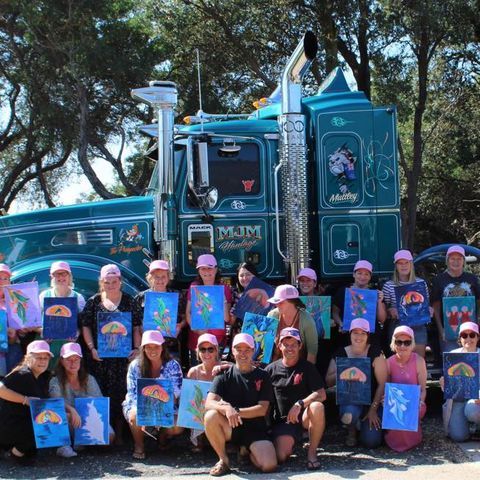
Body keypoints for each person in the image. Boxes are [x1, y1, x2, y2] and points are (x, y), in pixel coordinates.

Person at [81, 264, 142, 441]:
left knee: (123, 391)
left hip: (124, 358)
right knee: (101, 391)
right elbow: (85, 326)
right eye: (106, 282)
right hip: (99, 358)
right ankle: (102, 432)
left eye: (114, 281)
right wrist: (91, 348)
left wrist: (137, 349)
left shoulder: (130, 301)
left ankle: (122, 432)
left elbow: (137, 327)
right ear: (101, 282)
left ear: (120, 282)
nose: (110, 285)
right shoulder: (94, 302)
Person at [204, 333, 277, 476]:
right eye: (239, 349)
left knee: (269, 466)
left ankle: (245, 451)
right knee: (210, 416)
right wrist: (226, 408)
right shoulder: (223, 374)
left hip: (256, 429)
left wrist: (235, 411)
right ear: (232, 351)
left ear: (253, 351)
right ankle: (223, 460)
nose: (242, 353)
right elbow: (209, 402)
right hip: (231, 426)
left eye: (247, 350)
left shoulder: (263, 376)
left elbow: (262, 409)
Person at [265, 327, 326, 470]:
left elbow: (321, 393)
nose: (290, 348)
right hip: (283, 421)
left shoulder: (308, 367)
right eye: (286, 344)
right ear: (279, 346)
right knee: (281, 457)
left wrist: (300, 403)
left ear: (300, 346)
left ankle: (312, 452)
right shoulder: (270, 369)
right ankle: (291, 441)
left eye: (294, 345)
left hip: (304, 417)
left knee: (317, 406)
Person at [326, 318, 387, 448]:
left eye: (363, 333)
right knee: (349, 414)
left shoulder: (376, 353)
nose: (358, 336)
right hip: (350, 401)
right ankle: (351, 430)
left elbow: (383, 383)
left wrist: (373, 410)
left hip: (372, 402)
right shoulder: (341, 353)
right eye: (355, 333)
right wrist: (343, 370)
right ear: (350, 334)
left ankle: (367, 424)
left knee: (371, 442)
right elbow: (328, 381)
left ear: (368, 335)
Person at [123, 330, 183, 459]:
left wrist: (157, 408)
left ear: (162, 347)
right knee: (134, 415)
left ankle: (162, 438)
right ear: (143, 349)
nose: (152, 350)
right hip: (140, 405)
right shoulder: (135, 366)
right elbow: (132, 393)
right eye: (148, 347)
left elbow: (177, 391)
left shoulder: (173, 365)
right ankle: (139, 445)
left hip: (166, 405)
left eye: (156, 346)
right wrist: (144, 410)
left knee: (177, 427)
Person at [49, 342, 114, 457]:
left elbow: (99, 402)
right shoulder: (55, 381)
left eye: (76, 359)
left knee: (110, 437)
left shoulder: (89, 379)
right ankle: (64, 445)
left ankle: (83, 440)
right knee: (61, 414)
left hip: (88, 418)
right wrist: (72, 410)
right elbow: (56, 404)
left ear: (81, 361)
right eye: (68, 359)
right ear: (62, 361)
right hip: (68, 420)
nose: (73, 363)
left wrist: (90, 402)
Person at [0, 340, 52, 464]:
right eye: (39, 357)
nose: (43, 361)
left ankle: (10, 448)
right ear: (28, 357)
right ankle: (14, 454)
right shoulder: (23, 374)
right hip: (8, 424)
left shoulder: (41, 377)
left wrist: (68, 411)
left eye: (46, 358)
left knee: (33, 451)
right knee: (44, 425)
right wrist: (25, 400)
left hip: (18, 422)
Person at [384, 326, 427, 452]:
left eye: (407, 342)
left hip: (414, 401)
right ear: (393, 343)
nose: (402, 346)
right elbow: (386, 387)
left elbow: (423, 389)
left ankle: (414, 437)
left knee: (415, 411)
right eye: (399, 342)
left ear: (412, 343)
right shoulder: (388, 362)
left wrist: (420, 402)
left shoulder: (419, 361)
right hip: (395, 403)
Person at [187, 333, 231, 452]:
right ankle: (200, 439)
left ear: (217, 351)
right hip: (200, 411)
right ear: (197, 352)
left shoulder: (227, 368)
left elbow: (239, 368)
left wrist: (224, 366)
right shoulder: (193, 372)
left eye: (210, 349)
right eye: (203, 349)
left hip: (221, 411)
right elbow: (188, 398)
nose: (206, 353)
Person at [185, 254, 232, 366]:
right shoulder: (194, 287)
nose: (206, 271)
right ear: (199, 271)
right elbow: (188, 312)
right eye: (203, 268)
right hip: (197, 339)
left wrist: (224, 301)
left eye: (209, 268)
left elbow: (226, 318)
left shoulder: (224, 289)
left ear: (216, 270)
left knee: (215, 373)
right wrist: (197, 330)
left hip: (217, 341)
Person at [135, 260, 186, 361]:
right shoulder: (141, 297)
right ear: (150, 278)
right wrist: (141, 328)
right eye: (156, 277)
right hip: (149, 346)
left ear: (168, 278)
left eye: (163, 276)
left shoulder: (177, 295)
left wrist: (180, 326)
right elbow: (135, 322)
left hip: (171, 345)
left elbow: (185, 317)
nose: (160, 280)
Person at [382, 250, 431, 357]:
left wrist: (429, 310)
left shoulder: (421, 283)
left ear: (411, 264)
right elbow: (383, 310)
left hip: (418, 326)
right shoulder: (388, 285)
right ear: (396, 266)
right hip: (397, 325)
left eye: (406, 262)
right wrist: (390, 311)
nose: (403, 266)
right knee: (400, 362)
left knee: (418, 360)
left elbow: (425, 304)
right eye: (400, 263)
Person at [39, 260, 87, 369]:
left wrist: (77, 333)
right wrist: (42, 332)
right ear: (52, 277)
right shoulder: (44, 296)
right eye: (57, 274)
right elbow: (34, 320)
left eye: (64, 273)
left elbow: (84, 322)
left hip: (69, 344)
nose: (61, 277)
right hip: (48, 343)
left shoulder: (78, 297)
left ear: (69, 276)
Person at [431, 245, 480, 351]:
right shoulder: (439, 280)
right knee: (451, 364)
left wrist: (478, 324)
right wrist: (441, 330)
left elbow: (478, 302)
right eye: (453, 259)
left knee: (471, 363)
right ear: (447, 261)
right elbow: (436, 307)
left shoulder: (472, 279)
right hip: (448, 332)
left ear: (464, 261)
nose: (456, 262)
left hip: (470, 333)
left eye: (459, 259)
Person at [332, 260, 387, 348]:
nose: (362, 277)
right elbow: (335, 312)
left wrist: (379, 301)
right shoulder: (343, 291)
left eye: (366, 274)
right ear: (354, 274)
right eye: (359, 273)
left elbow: (382, 319)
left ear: (370, 277)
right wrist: (341, 323)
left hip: (370, 339)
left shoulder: (375, 293)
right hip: (348, 337)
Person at [440, 321, 480, 441]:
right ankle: (472, 429)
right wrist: (443, 382)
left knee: (472, 410)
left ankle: (476, 425)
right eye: (464, 335)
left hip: (477, 400)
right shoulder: (453, 355)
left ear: (478, 337)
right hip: (458, 399)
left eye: (472, 335)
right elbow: (449, 382)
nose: (468, 338)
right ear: (460, 338)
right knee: (458, 436)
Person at [267, 284, 318, 364]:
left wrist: (306, 374)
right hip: (275, 365)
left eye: (280, 302)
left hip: (299, 366)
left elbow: (312, 352)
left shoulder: (307, 320)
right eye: (276, 302)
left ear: (292, 302)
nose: (276, 305)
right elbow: (265, 346)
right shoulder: (272, 316)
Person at [0, 264, 23, 375]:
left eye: (5, 279)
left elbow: (22, 328)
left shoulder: (15, 300)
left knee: (11, 381)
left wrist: (15, 333)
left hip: (11, 348)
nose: (2, 281)